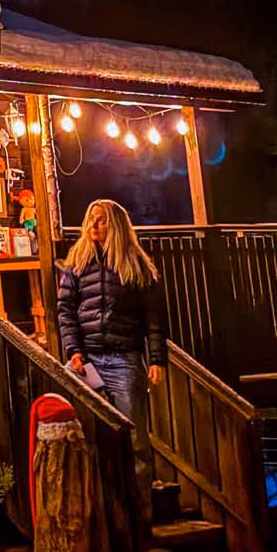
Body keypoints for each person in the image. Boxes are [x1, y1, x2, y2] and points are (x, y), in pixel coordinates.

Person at [56, 199, 167, 522]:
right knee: (82, 435)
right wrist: (73, 351)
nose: (94, 226)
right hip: (87, 359)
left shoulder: (136, 266)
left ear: (115, 226)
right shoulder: (76, 265)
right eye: (91, 220)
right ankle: (97, 514)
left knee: (134, 441)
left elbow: (154, 318)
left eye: (101, 221)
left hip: (123, 359)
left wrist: (156, 358)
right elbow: (65, 312)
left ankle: (138, 517)